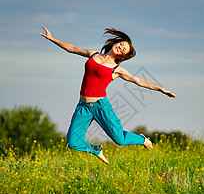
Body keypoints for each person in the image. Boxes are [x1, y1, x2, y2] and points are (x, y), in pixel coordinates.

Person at [40, 27, 176, 164]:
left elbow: (138, 81)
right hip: (83, 107)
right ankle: (96, 150)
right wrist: (52, 39)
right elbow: (72, 49)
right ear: (116, 42)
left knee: (120, 140)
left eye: (124, 50)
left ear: (123, 56)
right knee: (73, 142)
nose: (121, 48)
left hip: (101, 107)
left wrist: (161, 89)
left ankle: (142, 139)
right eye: (122, 44)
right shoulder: (93, 55)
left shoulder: (116, 70)